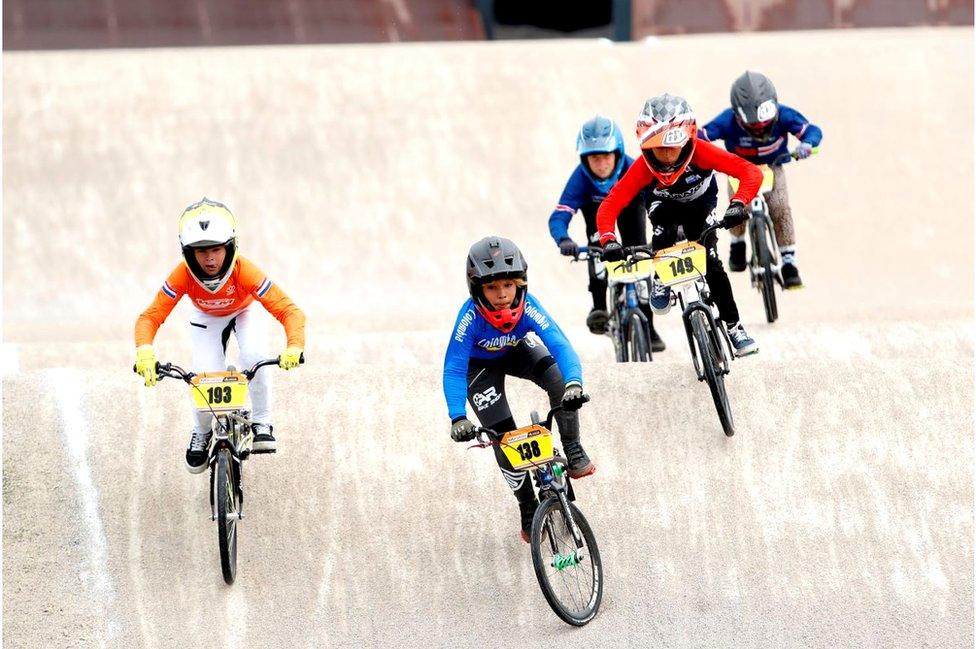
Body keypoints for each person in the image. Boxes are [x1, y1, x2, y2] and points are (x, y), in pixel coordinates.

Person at [133, 198, 306, 473]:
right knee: (203, 378)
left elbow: (289, 310)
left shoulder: (244, 270)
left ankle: (262, 421)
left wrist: (294, 346)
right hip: (205, 319)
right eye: (201, 252)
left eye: (216, 249)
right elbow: (150, 316)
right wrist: (144, 351)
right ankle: (200, 432)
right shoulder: (182, 275)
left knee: (254, 356)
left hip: (244, 312)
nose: (210, 259)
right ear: (187, 252)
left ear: (230, 247)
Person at [443, 236, 593, 543]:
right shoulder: (469, 317)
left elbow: (560, 345)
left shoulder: (530, 306)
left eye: (508, 286)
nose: (501, 295)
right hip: (480, 368)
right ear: (477, 289)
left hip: (519, 350)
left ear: (520, 284)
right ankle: (527, 505)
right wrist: (458, 416)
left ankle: (573, 448)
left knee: (559, 382)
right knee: (503, 435)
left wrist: (574, 383)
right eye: (492, 288)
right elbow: (454, 368)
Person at [597, 94, 762, 356]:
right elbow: (610, 205)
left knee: (712, 263)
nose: (666, 158)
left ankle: (734, 327)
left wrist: (739, 203)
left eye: (671, 147)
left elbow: (751, 172)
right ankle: (661, 277)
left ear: (688, 141)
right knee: (664, 233)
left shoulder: (703, 151)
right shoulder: (642, 168)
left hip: (701, 206)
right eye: (658, 149)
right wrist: (609, 239)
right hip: (664, 209)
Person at [548, 115, 665, 351]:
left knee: (639, 255)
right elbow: (559, 215)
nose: (601, 164)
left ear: (618, 153)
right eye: (594, 158)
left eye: (606, 157)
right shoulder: (580, 178)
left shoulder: (635, 168)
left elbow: (661, 201)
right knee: (596, 249)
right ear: (584, 159)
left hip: (631, 212)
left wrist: (666, 230)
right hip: (598, 221)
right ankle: (599, 305)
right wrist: (564, 239)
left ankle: (649, 326)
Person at [701, 71, 823, 289]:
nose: (760, 128)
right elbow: (701, 136)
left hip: (773, 166)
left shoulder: (785, 115)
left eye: (765, 124)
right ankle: (737, 243)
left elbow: (811, 130)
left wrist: (807, 144)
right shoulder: (727, 120)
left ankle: (789, 262)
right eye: (752, 126)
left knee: (780, 208)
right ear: (738, 116)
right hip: (740, 170)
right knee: (737, 210)